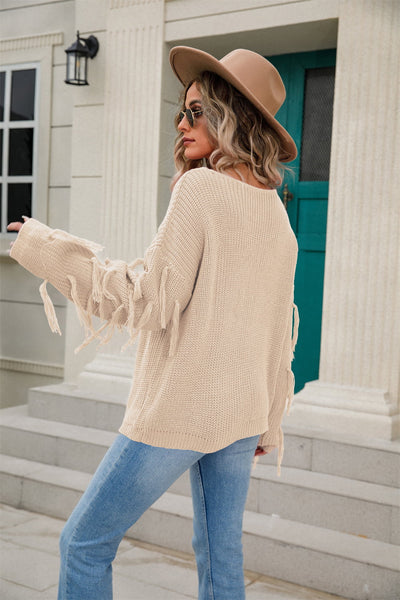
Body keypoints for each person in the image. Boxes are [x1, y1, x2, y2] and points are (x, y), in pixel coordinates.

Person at [7, 46, 299, 600]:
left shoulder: (200, 190)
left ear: (232, 116)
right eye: (182, 111)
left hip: (181, 410)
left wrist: (45, 247)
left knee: (83, 544)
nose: (182, 123)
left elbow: (143, 301)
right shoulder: (275, 212)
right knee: (221, 563)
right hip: (241, 413)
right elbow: (275, 333)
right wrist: (268, 419)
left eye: (197, 111)